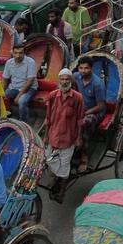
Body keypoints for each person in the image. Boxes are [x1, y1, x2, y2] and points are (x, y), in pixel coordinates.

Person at [42, 69, 83, 202]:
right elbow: (48, 117)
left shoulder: (77, 97)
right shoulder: (53, 95)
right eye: (62, 79)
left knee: (64, 165)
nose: (64, 82)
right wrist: (46, 136)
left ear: (70, 81)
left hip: (69, 137)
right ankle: (59, 177)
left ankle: (62, 191)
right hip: (53, 135)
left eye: (67, 79)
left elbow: (80, 120)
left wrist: (78, 137)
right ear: (59, 80)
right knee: (48, 159)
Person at [1, 44, 37, 122]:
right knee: (1, 98)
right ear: (12, 53)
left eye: (20, 53)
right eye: (16, 53)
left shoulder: (30, 62)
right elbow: (5, 79)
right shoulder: (9, 62)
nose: (18, 55)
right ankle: (6, 117)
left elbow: (30, 82)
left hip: (29, 88)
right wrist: (1, 92)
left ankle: (23, 123)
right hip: (13, 87)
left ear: (24, 53)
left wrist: (19, 95)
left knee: (22, 102)